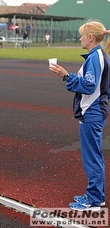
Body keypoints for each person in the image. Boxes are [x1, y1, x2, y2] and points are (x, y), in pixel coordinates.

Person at [49, 20, 110, 211]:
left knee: (92, 158)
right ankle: (96, 196)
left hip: (92, 113)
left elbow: (89, 85)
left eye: (82, 35)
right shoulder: (99, 55)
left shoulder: (95, 57)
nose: (80, 38)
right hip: (95, 111)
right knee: (94, 156)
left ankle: (93, 200)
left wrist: (67, 76)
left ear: (90, 38)